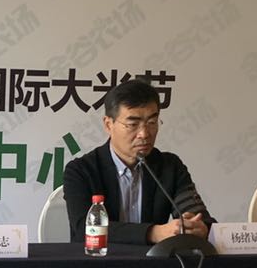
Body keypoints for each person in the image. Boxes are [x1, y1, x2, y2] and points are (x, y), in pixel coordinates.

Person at [62, 79, 212, 245]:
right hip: (98, 259)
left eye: (152, 122)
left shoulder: (170, 167)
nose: (144, 134)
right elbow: (84, 228)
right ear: (108, 125)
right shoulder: (81, 170)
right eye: (133, 124)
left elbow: (199, 217)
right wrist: (153, 233)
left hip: (153, 261)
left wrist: (199, 228)